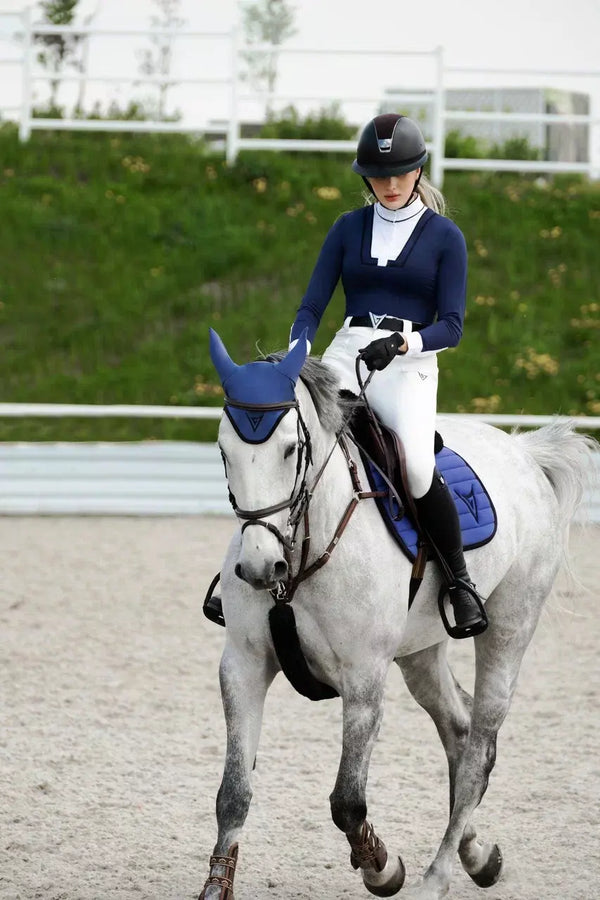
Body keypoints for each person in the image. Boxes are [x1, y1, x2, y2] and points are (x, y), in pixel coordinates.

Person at [205, 113, 487, 639]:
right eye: (379, 176)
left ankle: (459, 581)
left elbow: (451, 325)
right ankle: (238, 571)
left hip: (409, 362)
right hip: (347, 349)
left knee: (418, 468)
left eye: (400, 173)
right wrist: (296, 355)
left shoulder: (445, 237)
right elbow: (312, 305)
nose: (390, 184)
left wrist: (405, 342)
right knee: (292, 437)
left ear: (418, 169)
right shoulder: (347, 228)